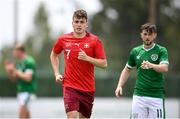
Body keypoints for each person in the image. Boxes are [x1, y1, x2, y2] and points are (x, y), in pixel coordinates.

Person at [50, 9, 107, 118]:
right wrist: (57, 73)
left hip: (88, 89)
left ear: (86, 24)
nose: (79, 24)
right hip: (70, 86)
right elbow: (53, 55)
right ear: (72, 24)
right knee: (71, 116)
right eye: (76, 22)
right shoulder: (63, 39)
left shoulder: (95, 41)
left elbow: (104, 64)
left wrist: (87, 58)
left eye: (82, 22)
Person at [115, 23, 169, 118]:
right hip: (139, 96)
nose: (147, 37)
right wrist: (119, 86)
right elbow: (127, 69)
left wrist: (151, 65)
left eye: (150, 34)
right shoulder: (135, 51)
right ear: (141, 35)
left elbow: (164, 68)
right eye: (145, 34)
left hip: (156, 96)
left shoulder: (161, 50)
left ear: (155, 35)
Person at [4, 44, 37, 118]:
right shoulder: (18, 62)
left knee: (21, 115)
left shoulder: (29, 61)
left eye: (15, 51)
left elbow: (28, 78)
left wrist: (15, 71)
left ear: (20, 51)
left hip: (28, 91)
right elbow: (14, 79)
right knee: (26, 116)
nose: (13, 53)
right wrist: (10, 71)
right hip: (21, 91)